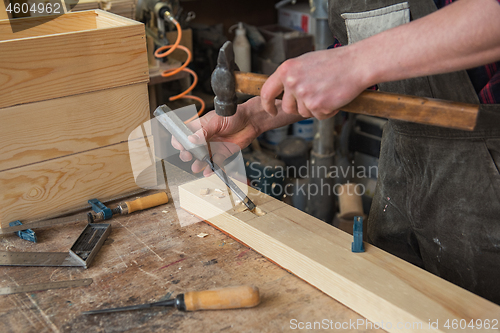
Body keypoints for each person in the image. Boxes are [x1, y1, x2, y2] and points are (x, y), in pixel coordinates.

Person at [172, 0, 500, 304]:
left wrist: (356, 62)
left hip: (487, 165)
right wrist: (254, 116)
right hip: (404, 152)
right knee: (390, 296)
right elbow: (361, 64)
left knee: (472, 311)